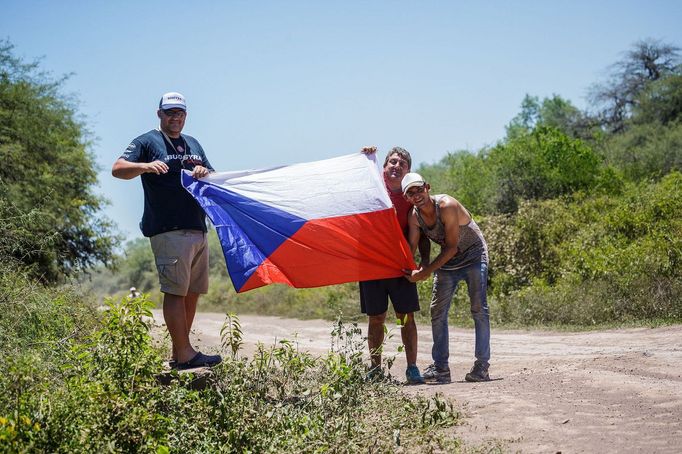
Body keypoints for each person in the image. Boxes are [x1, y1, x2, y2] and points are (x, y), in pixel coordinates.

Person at [112, 92, 222, 371]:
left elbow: (212, 174)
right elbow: (118, 169)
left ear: (186, 115)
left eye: (180, 113)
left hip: (197, 228)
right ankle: (185, 355)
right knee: (175, 292)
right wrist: (144, 166)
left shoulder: (193, 143)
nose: (176, 117)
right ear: (159, 114)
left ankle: (180, 352)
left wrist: (202, 171)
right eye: (170, 112)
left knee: (192, 292)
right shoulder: (147, 141)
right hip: (168, 229)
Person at [401, 172, 491, 383]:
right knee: (437, 311)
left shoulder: (447, 205)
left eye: (419, 189)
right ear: (407, 198)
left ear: (428, 187)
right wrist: (403, 268)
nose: (416, 195)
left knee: (479, 309)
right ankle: (441, 368)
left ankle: (482, 366)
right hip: (448, 261)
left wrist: (425, 272)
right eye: (410, 193)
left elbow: (452, 246)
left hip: (473, 255)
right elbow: (410, 248)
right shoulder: (414, 216)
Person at [359, 146, 425, 384]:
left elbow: (423, 232)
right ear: (384, 167)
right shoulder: (372, 188)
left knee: (405, 317)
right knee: (376, 318)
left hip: (401, 268)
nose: (396, 166)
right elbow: (356, 176)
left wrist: (421, 267)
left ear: (408, 171)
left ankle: (412, 368)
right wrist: (365, 157)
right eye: (392, 162)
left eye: (402, 164)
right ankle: (375, 370)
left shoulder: (412, 196)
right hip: (371, 266)